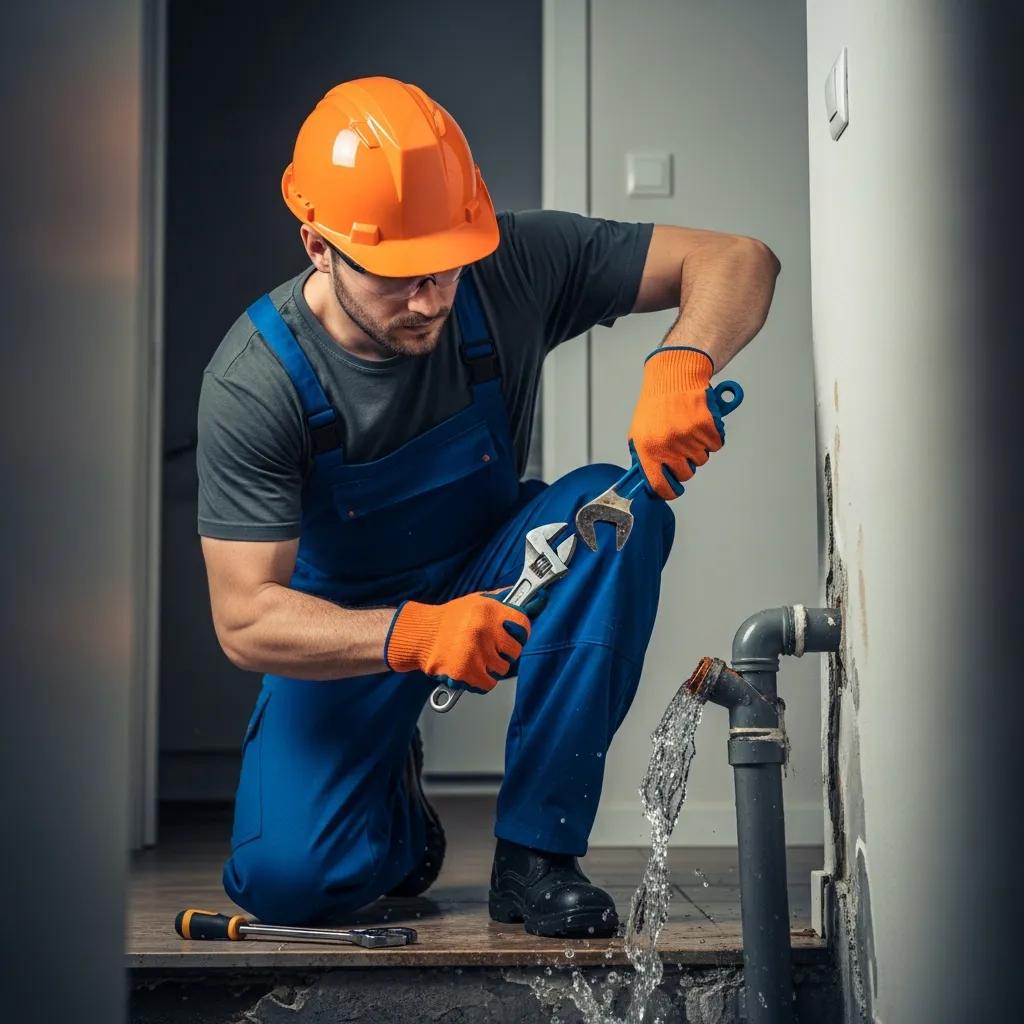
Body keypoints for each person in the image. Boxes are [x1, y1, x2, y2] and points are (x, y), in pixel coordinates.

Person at [197, 76, 779, 939]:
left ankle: (537, 853)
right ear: (318, 246)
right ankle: (393, 817)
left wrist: (681, 362)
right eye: (400, 278)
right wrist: (415, 634)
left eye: (446, 268)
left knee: (618, 518)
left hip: (500, 566)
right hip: (349, 629)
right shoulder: (256, 380)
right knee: (288, 883)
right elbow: (245, 620)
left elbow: (738, 259)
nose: (432, 299)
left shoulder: (507, 266)